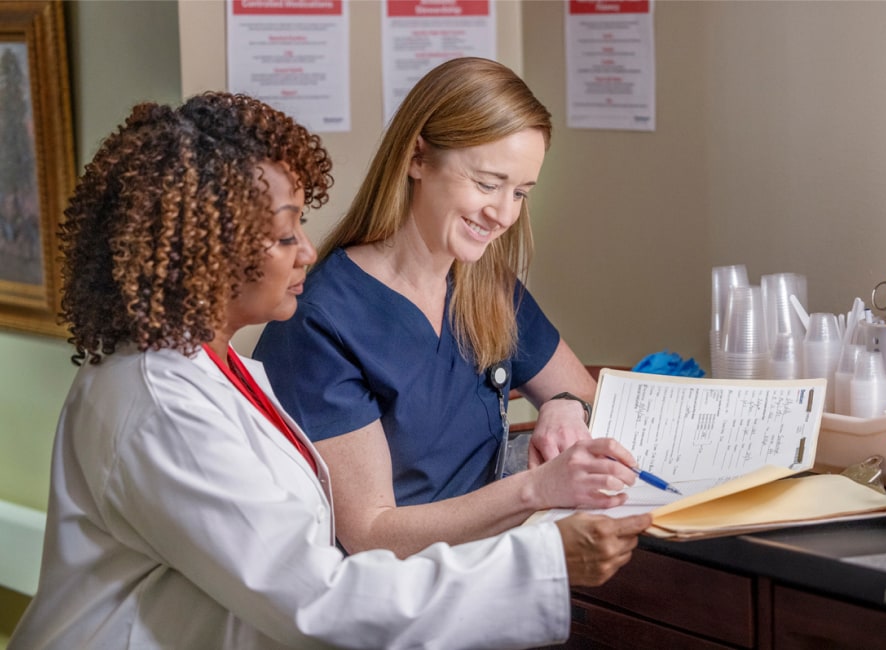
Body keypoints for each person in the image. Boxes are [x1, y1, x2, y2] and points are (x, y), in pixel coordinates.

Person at [8, 92, 653, 650]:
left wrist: (560, 414)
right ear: (208, 252)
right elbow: (319, 600)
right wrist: (544, 559)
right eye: (287, 235)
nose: (309, 252)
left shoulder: (215, 368)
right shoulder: (160, 408)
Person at [253, 56, 641, 559]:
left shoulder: (482, 285)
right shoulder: (323, 320)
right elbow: (371, 533)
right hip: (400, 602)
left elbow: (588, 395)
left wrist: (565, 403)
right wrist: (536, 490)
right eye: (486, 183)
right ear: (418, 158)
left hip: (492, 569)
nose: (503, 214)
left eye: (520, 192)